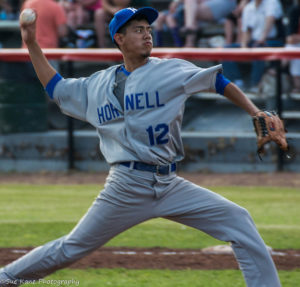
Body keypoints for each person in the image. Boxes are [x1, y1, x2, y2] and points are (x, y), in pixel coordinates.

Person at [0, 6, 282, 287]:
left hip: (169, 183)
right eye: (138, 30)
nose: (147, 35)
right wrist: (33, 43)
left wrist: (255, 112)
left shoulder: (170, 69)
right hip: (126, 186)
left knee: (238, 220)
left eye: (148, 29)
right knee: (72, 248)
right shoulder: (96, 86)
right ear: (119, 38)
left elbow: (217, 82)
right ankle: (6, 278)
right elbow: (55, 87)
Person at [222, 0, 284, 92]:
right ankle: (236, 83)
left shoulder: (272, 2)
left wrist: (262, 39)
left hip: (274, 42)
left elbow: (270, 20)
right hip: (255, 42)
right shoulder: (249, 7)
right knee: (226, 49)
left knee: (258, 49)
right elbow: (246, 30)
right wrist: (243, 46)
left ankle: (255, 84)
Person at [285, 0, 300, 94]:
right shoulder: (295, 10)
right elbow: (289, 38)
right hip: (296, 44)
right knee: (291, 48)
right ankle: (297, 86)